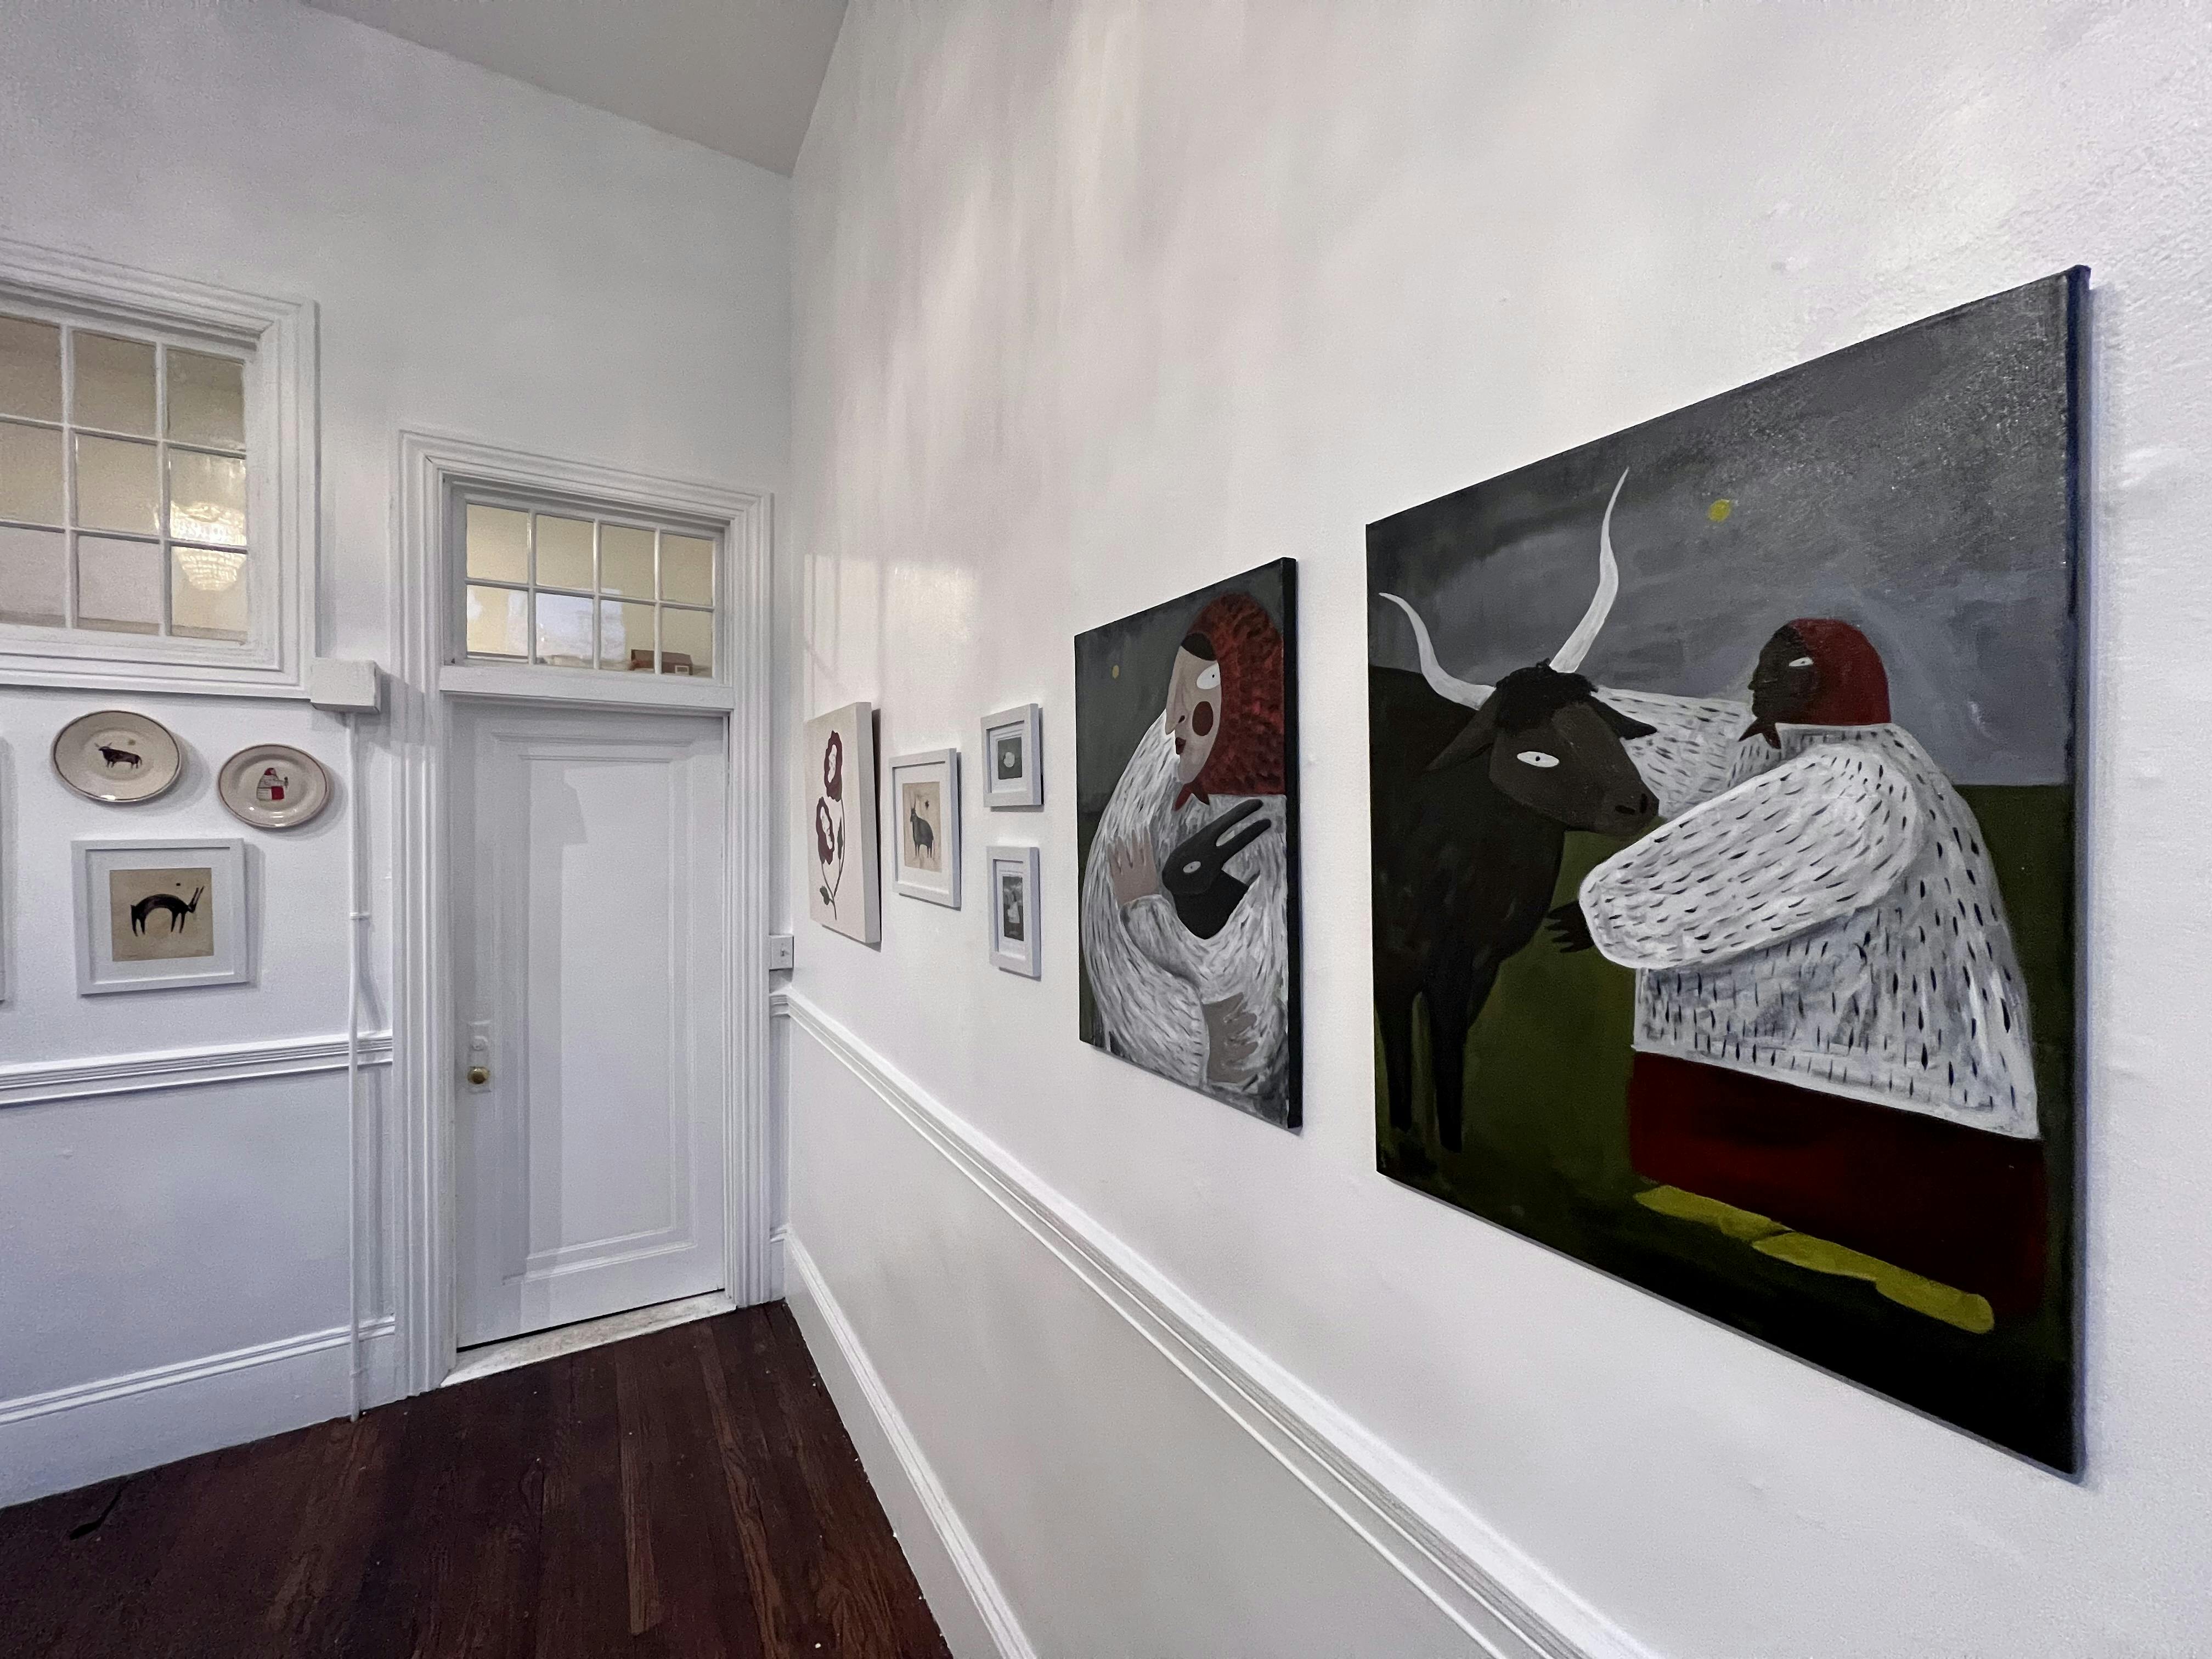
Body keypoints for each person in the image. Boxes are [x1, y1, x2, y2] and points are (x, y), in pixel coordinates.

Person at [1555, 620, 2047, 1312]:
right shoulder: (1787, 752)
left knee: (1881, 1179)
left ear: (1823, 685)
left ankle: (1919, 1273)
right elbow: (1689, 742)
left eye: (1780, 671)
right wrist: (1582, 703)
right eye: (1762, 668)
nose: (1756, 683)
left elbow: (1740, 869)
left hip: (1893, 1043)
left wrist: (1610, 909)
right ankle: (1743, 1204)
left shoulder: (1857, 777)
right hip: (1812, 1026)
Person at [1081, 592, 1291, 1119]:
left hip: (1235, 1100)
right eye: (1175, 697)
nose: (1174, 723)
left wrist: (1145, 909)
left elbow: (1234, 986)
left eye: (1196, 698)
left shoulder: (1267, 836)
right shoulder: (1201, 803)